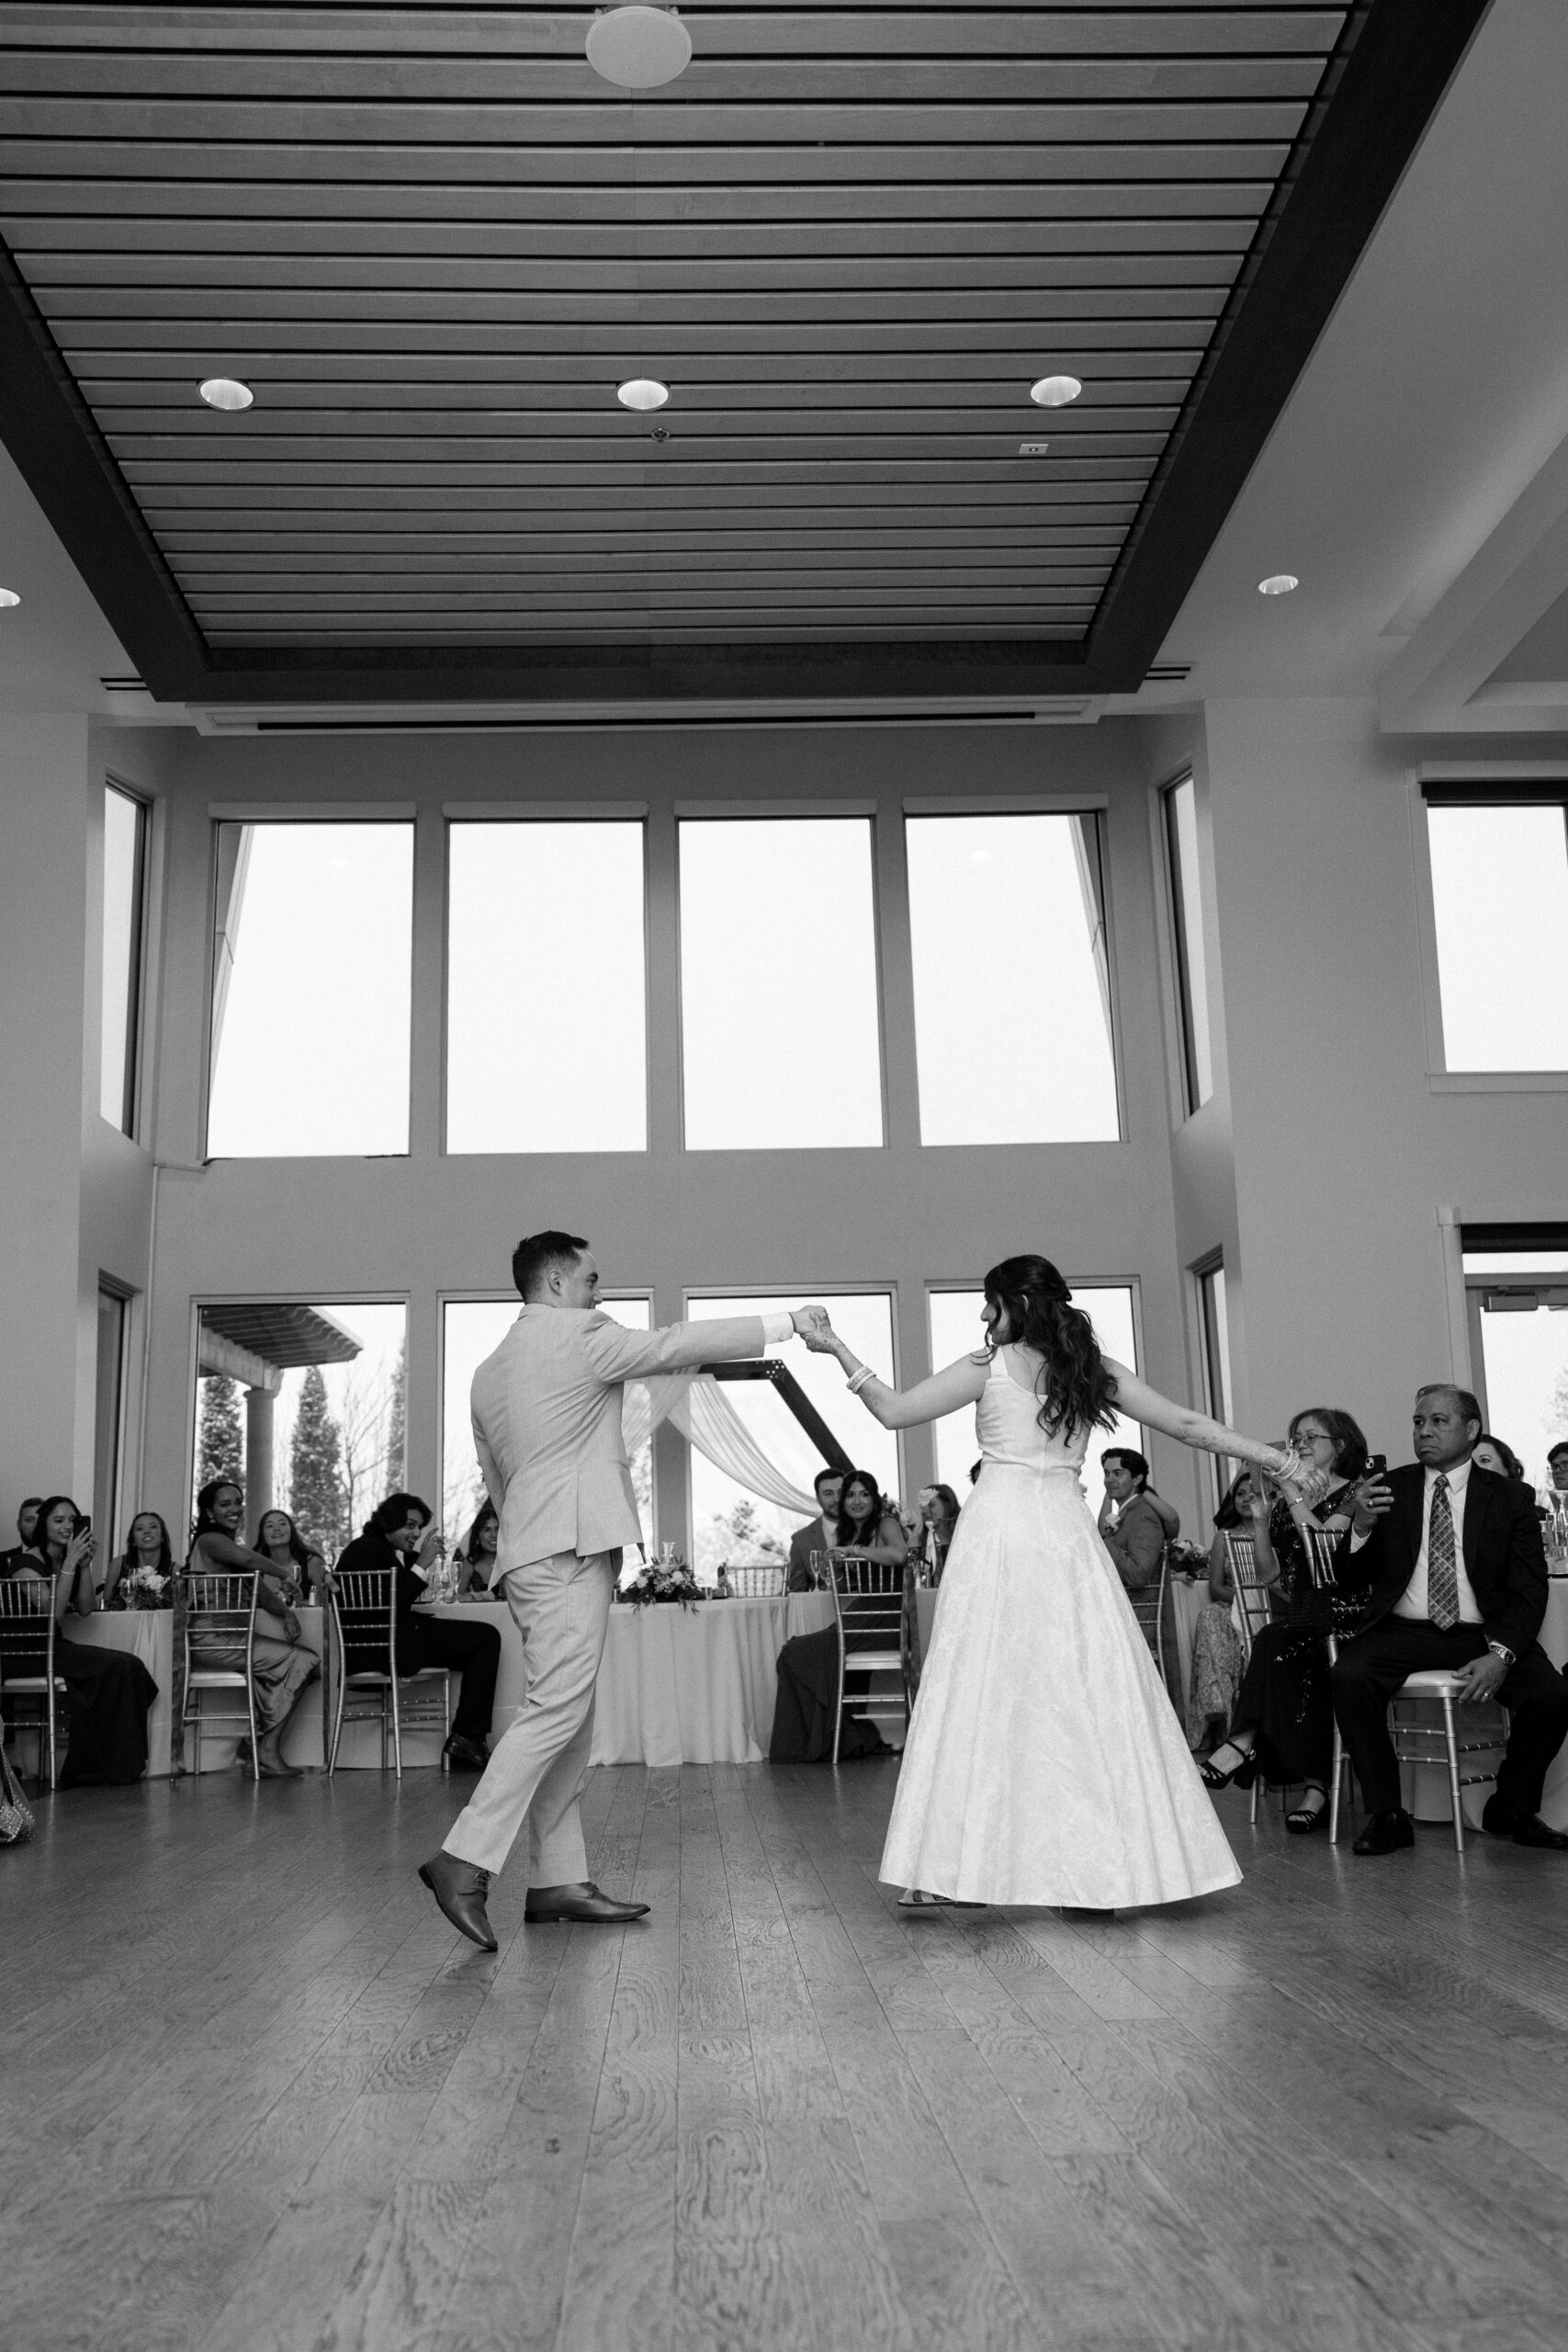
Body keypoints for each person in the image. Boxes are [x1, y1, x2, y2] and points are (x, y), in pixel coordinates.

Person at [801, 1255, 1315, 1911]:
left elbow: (895, 1413)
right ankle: (1099, 1870)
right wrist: (1276, 1459)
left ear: (1015, 1300)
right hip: (1065, 1534)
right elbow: (1186, 1424)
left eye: (991, 1303)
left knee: (983, 1689)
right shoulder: (1092, 1373)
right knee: (1084, 1688)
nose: (986, 1316)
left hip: (1000, 1534)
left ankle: (956, 1871)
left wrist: (836, 1348)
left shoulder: (987, 1368)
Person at [417, 1228, 828, 1951]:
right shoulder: (581, 1334)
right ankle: (463, 1858)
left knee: (570, 1716)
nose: (599, 1292)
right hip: (570, 1546)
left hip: (527, 1548)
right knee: (556, 1709)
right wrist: (787, 1324)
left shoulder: (487, 1371)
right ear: (553, 1285)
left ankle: (557, 1881)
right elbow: (672, 1344)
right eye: (590, 1280)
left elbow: (497, 1479)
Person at [1331, 1384, 1568, 1856]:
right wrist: (1359, 1527)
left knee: (1552, 1695)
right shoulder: (1388, 1490)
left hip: (1483, 1632)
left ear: (1472, 1429)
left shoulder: (1510, 1498)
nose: (1425, 1432)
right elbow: (1349, 1580)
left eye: (1439, 1422)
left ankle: (1513, 1808)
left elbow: (1529, 1590)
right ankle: (1387, 1814)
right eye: (1419, 1422)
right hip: (1403, 1631)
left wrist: (1500, 1653)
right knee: (1349, 1676)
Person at [1199, 1407, 1367, 1834]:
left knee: (1279, 1642)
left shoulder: (1355, 1493)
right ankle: (1314, 1786)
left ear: (1340, 1446)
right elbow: (1270, 1575)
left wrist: (1290, 1490)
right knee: (1286, 1648)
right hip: (1307, 1616)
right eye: (1296, 1440)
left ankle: (1243, 1743)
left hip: (1353, 1614)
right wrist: (1259, 1523)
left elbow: (1325, 1551)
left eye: (1312, 1438)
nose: (1301, 1447)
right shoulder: (1283, 1505)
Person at [334, 1494, 502, 1770]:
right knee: (486, 1638)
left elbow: (393, 1597)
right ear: (389, 1522)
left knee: (479, 1645)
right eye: (410, 1526)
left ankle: (468, 1739)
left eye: (419, 1528)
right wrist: (422, 1562)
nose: (415, 1533)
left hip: (388, 1642)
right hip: (383, 1649)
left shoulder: (372, 1549)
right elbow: (395, 1607)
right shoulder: (368, 1551)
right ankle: (468, 1738)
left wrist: (415, 1557)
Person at [14, 1496, 157, 1783]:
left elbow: (85, 1609)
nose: (67, 1526)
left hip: (54, 1647)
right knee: (117, 1667)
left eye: (72, 1520)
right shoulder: (25, 1564)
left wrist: (84, 1566)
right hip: (24, 1651)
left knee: (130, 1666)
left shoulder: (65, 1562)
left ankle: (121, 1763)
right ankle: (99, 1766)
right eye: (58, 1520)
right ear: (43, 1526)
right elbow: (52, 1614)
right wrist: (69, 1563)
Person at [188, 1480, 321, 1779]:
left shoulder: (228, 1546)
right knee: (304, 1660)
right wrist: (284, 1572)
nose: (235, 1508)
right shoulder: (210, 1540)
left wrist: (286, 1614)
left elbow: (259, 1592)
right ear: (209, 1512)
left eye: (238, 1501)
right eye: (225, 1504)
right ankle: (265, 1748)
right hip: (212, 1639)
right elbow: (248, 1559)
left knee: (304, 1665)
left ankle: (257, 1744)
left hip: (236, 1639)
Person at [1186, 1473, 1250, 1751]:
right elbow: (1215, 1586)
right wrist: (1241, 1600)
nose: (1246, 1498)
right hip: (1232, 1606)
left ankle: (1239, 1723)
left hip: (1266, 1609)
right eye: (1240, 1493)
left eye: (1252, 1492)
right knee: (1210, 1614)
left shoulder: (1275, 1532)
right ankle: (1217, 1706)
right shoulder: (1224, 1537)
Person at [1097, 1448, 1179, 1591]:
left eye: (1117, 1474)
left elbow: (1138, 1576)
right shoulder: (1127, 1514)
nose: (1109, 1480)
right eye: (1106, 1474)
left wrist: (1105, 1543)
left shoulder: (1142, 1516)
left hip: (1136, 1609)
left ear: (1136, 1479)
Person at [784, 1469, 844, 1591]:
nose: (836, 1499)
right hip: (822, 1609)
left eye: (841, 1492)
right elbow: (798, 1592)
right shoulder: (801, 1540)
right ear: (818, 1498)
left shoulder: (868, 1530)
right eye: (828, 1494)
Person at [102, 1510, 175, 1609]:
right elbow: (105, 1605)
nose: (146, 1531)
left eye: (153, 1527)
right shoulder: (118, 1564)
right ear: (133, 1540)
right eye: (140, 1528)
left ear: (163, 1537)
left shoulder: (174, 1570)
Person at [254, 1508, 328, 1604]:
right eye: (269, 1526)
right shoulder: (257, 1566)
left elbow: (326, 1605)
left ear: (292, 1530)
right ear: (262, 1535)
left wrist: (301, 1603)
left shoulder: (313, 1563)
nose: (276, 1529)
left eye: (282, 1524)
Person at [455, 1498, 504, 1597]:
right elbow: (459, 1596)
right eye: (487, 1530)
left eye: (497, 1529)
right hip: (480, 1612)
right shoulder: (470, 1563)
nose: (494, 1535)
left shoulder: (513, 1560)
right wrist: (479, 1597)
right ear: (477, 1535)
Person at [916, 1484, 962, 1586]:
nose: (925, 1511)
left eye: (931, 1505)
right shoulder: (919, 1544)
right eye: (923, 1506)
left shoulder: (962, 1541)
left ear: (948, 1506)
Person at [0, 1498, 42, 1577]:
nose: (36, 1526)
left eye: (41, 1520)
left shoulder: (63, 1561)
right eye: (29, 1520)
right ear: (18, 1525)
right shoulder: (1, 1561)